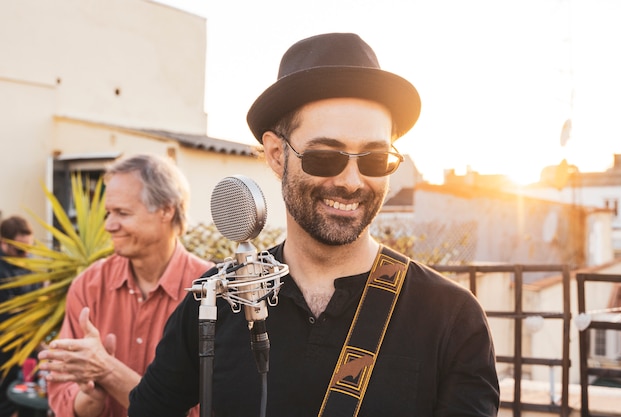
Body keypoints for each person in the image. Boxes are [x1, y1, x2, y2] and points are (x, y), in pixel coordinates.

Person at [128, 33, 500, 417]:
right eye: (325, 157)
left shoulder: (451, 317)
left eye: (374, 160)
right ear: (276, 155)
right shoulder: (216, 302)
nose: (352, 182)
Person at [37, 154, 214, 417]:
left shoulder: (212, 294)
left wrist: (106, 369)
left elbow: (212, 407)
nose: (109, 225)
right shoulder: (88, 285)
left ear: (166, 209)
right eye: (109, 213)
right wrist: (88, 399)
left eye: (122, 213)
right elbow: (61, 390)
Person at [0, 215, 38, 417]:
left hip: (30, 342)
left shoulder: (29, 263)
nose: (26, 255)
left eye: (29, 249)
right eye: (20, 250)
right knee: (5, 396)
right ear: (3, 243)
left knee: (30, 394)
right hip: (5, 344)